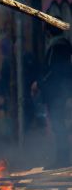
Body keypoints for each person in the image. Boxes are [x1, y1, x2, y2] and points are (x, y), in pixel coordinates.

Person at [31, 22, 72, 167]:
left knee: (58, 125)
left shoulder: (57, 47)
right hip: (61, 92)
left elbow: (53, 71)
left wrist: (39, 83)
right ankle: (63, 159)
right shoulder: (64, 46)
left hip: (57, 93)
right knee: (59, 125)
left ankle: (62, 160)